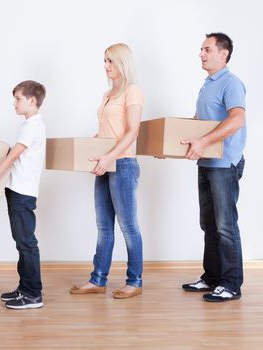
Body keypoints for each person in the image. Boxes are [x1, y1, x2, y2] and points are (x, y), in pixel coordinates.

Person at [70, 43, 144, 299]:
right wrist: (95, 145)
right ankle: (98, 280)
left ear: (123, 63)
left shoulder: (132, 91)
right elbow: (108, 130)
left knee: (129, 227)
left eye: (111, 61)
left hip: (122, 163)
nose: (106, 66)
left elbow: (132, 131)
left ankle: (134, 282)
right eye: (104, 60)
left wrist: (110, 156)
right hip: (104, 162)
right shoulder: (107, 94)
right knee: (104, 227)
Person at [181, 33, 246, 302]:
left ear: (223, 54)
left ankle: (231, 283)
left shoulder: (231, 83)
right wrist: (171, 146)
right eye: (201, 49)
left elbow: (237, 119)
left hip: (224, 163)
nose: (201, 54)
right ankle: (212, 277)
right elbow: (198, 122)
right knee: (208, 223)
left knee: (225, 225)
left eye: (207, 49)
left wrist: (205, 141)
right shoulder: (207, 84)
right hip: (206, 162)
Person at [0, 80, 46, 309]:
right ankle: (24, 289)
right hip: (16, 190)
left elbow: (11, 158)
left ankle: (33, 294)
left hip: (23, 193)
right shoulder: (27, 125)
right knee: (21, 242)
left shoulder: (33, 126)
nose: (14, 103)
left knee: (26, 243)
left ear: (32, 100)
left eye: (18, 98)